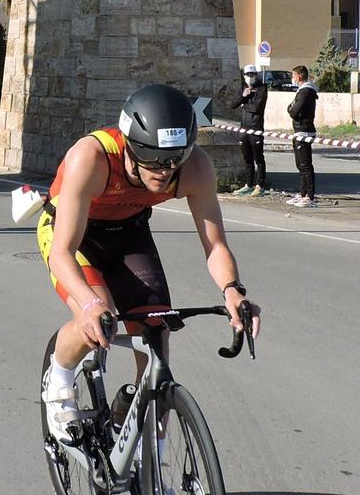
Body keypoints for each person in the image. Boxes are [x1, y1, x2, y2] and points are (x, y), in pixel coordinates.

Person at [36, 83, 259, 447]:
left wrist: (233, 292)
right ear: (130, 146)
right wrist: (90, 305)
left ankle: (145, 455)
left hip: (129, 230)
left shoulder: (195, 166)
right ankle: (59, 378)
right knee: (99, 318)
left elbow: (215, 244)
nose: (164, 171)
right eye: (152, 160)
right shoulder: (91, 158)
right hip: (72, 234)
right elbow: (62, 251)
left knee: (156, 331)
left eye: (174, 160)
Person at [232, 64, 269, 196]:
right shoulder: (244, 88)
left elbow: (257, 107)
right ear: (244, 76)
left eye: (253, 75)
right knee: (247, 158)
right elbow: (233, 104)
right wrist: (243, 96)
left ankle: (260, 185)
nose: (250, 77)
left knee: (258, 158)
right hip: (244, 128)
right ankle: (248, 184)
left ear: (256, 75)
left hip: (256, 128)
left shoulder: (262, 88)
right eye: (248, 75)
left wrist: (244, 105)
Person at [286, 65, 318, 207]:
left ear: (299, 76)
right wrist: (291, 107)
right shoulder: (301, 91)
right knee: (300, 165)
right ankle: (303, 193)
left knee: (305, 165)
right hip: (299, 130)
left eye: (293, 76)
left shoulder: (306, 92)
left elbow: (293, 110)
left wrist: (291, 108)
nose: (292, 78)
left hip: (304, 131)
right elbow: (291, 107)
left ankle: (309, 197)